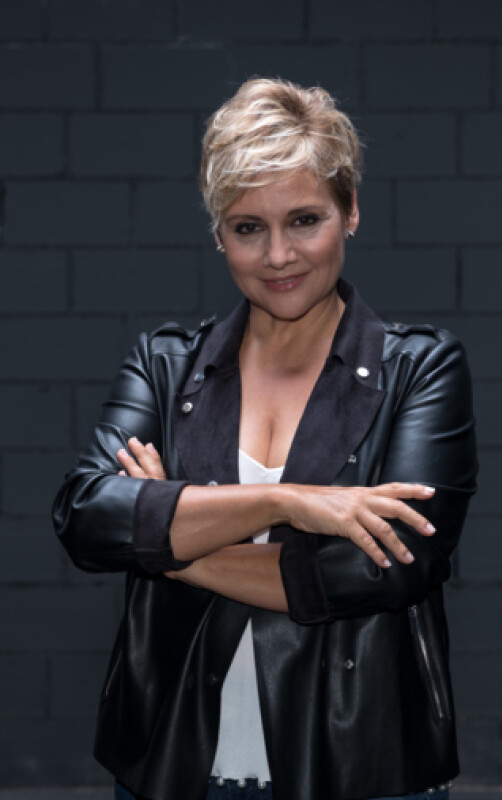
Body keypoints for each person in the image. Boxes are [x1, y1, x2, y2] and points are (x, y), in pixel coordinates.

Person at [52, 78, 477, 800]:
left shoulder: (421, 368)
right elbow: (88, 518)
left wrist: (173, 544)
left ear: (350, 211)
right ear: (219, 234)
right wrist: (286, 502)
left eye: (304, 219)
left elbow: (385, 566)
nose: (279, 255)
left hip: (360, 771)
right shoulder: (164, 364)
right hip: (172, 766)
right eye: (248, 227)